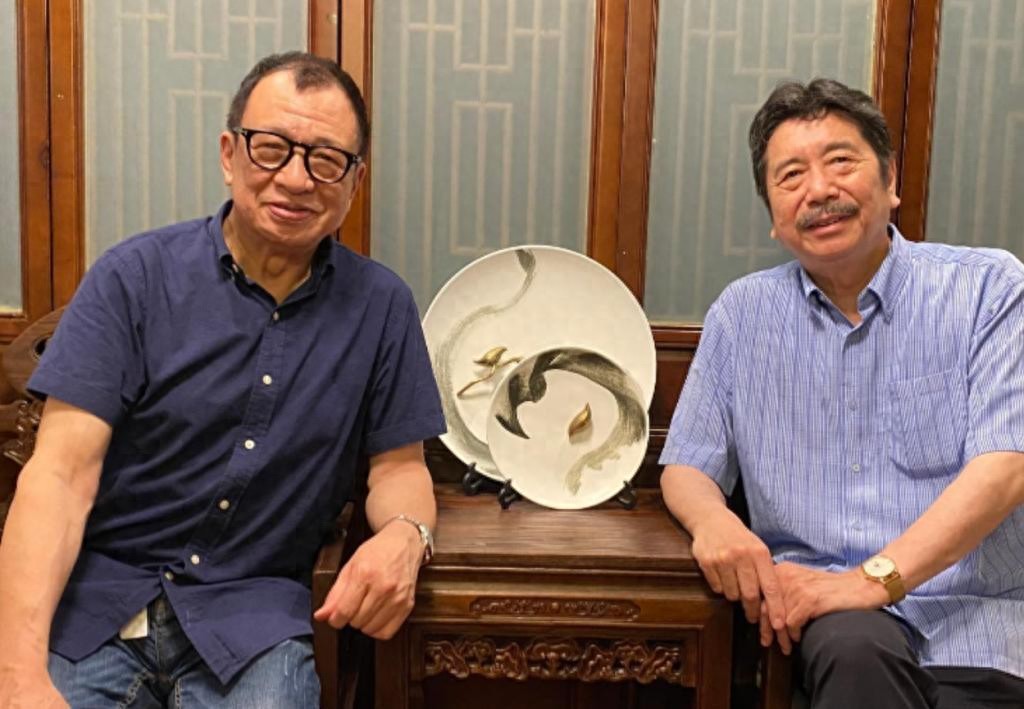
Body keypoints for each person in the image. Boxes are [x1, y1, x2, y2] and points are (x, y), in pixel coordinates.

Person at [0, 52, 445, 708]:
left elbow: (399, 467)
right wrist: (17, 676)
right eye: (271, 148)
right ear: (230, 154)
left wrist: (408, 535)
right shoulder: (134, 278)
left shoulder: (381, 306)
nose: (295, 178)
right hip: (97, 609)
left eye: (325, 159)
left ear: (354, 179)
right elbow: (59, 478)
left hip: (253, 620)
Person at [660, 78, 1024, 708]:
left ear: (890, 179)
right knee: (854, 650)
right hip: (837, 627)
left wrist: (873, 579)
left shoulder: (989, 289)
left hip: (981, 628)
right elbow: (688, 462)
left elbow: (1006, 466)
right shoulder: (742, 316)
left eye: (840, 161)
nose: (819, 190)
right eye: (790, 175)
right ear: (773, 215)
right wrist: (714, 522)